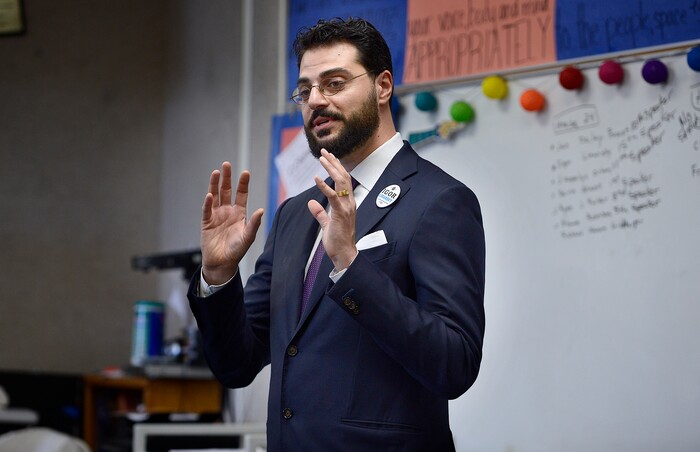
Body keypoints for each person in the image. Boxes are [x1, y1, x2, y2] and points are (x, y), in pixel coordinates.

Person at [188, 17, 486, 451]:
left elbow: (454, 365)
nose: (315, 101)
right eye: (305, 90)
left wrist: (350, 265)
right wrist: (217, 276)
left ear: (383, 87)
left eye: (334, 83)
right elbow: (238, 363)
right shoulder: (295, 213)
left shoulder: (439, 201)